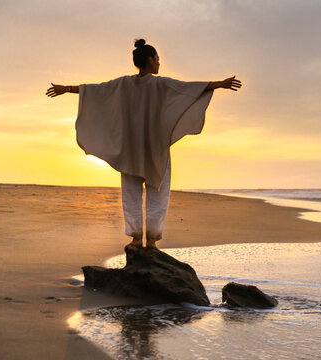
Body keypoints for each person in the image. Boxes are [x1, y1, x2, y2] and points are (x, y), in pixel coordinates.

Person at [46, 38, 241, 250]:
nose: (159, 63)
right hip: (155, 148)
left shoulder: (123, 84)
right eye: (157, 59)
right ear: (150, 59)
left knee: (131, 195)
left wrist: (67, 88)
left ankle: (137, 238)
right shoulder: (161, 84)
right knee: (158, 193)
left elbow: (96, 90)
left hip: (129, 149)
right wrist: (218, 84)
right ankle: (152, 241)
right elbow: (188, 90)